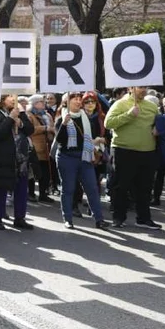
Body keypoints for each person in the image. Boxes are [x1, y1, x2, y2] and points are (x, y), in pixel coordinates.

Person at [105, 86, 162, 229]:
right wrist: (129, 115)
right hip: (124, 150)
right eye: (140, 87)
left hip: (147, 151)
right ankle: (118, 218)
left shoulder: (152, 106)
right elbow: (108, 123)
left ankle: (143, 218)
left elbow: (161, 123)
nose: (143, 90)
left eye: (145, 87)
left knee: (145, 187)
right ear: (131, 88)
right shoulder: (120, 104)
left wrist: (159, 128)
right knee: (121, 186)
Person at [54, 93, 110, 230]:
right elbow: (60, 140)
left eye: (80, 99)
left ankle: (99, 219)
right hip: (67, 158)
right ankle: (68, 219)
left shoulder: (86, 118)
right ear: (67, 102)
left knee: (92, 189)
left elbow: (92, 136)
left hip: (84, 157)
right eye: (75, 99)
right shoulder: (61, 119)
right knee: (68, 189)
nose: (79, 102)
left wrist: (96, 143)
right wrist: (64, 124)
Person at [0, 94, 35, 230]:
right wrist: (10, 118)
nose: (13, 99)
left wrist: (21, 122)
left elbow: (31, 130)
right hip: (3, 159)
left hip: (21, 159)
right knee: (1, 189)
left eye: (14, 97)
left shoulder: (20, 112)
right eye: (10, 97)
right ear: (2, 100)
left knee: (21, 190)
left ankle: (20, 218)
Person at [26, 94, 55, 204]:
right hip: (35, 148)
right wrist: (45, 128)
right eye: (41, 102)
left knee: (45, 173)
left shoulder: (46, 115)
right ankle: (31, 193)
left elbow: (52, 127)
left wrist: (51, 131)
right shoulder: (29, 115)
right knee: (33, 173)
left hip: (45, 148)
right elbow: (30, 130)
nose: (44, 103)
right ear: (34, 104)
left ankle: (43, 194)